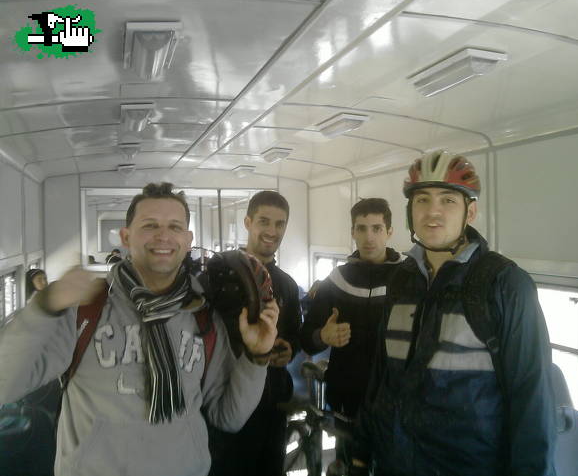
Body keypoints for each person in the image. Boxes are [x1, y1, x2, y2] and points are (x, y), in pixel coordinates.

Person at [0, 182, 278, 476]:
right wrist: (45, 307)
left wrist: (257, 356)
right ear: (126, 236)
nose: (163, 235)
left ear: (188, 240)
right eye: (150, 225)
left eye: (174, 226)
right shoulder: (84, 309)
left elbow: (229, 417)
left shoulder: (203, 318)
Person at [350, 151, 557, 476]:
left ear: (469, 211)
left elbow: (532, 399)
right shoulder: (402, 280)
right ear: (410, 211)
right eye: (422, 200)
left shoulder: (504, 284)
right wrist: (360, 452)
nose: (433, 211)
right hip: (394, 464)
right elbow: (381, 376)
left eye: (447, 200)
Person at [300, 198, 401, 464]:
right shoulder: (337, 280)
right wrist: (322, 336)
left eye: (377, 228)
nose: (369, 237)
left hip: (394, 402)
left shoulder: (409, 278)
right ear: (353, 232)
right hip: (347, 400)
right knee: (347, 464)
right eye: (362, 228)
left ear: (389, 232)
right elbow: (307, 339)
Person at [211, 190, 302, 476]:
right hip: (222, 399)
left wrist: (289, 349)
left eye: (280, 224)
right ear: (248, 222)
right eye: (264, 221)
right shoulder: (217, 275)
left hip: (271, 406)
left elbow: (294, 333)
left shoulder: (287, 285)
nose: (272, 231)